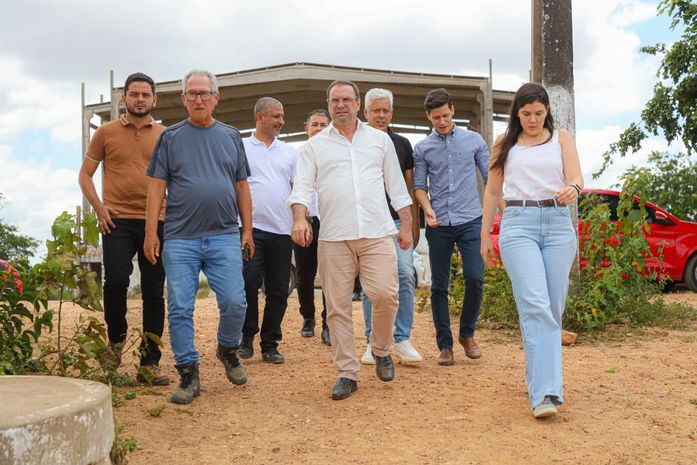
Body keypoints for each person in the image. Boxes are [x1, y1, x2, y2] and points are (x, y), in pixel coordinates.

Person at [288, 80, 413, 400]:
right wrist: (300, 218)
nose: (340, 105)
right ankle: (346, 371)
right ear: (329, 105)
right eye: (334, 100)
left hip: (377, 232)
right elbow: (301, 187)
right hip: (334, 237)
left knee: (386, 293)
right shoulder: (314, 147)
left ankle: (382, 349)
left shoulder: (378, 141)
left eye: (346, 99)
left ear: (358, 104)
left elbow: (396, 186)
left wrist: (407, 225)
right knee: (338, 307)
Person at [144, 69, 254, 405]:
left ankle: (227, 348)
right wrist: (151, 232)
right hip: (180, 238)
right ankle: (188, 373)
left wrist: (247, 229)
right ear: (183, 99)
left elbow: (241, 185)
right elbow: (157, 186)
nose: (198, 99)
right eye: (191, 94)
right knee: (179, 306)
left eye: (204, 93)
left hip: (223, 234)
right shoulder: (171, 138)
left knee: (236, 302)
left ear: (216, 97)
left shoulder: (231, 136)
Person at [480, 82, 582, 418]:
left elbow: (577, 178)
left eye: (539, 113)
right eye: (526, 114)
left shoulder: (562, 139)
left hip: (556, 224)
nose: (533, 119)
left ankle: (538, 380)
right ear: (517, 113)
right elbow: (493, 194)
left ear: (547, 111)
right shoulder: (503, 144)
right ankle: (546, 394)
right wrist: (485, 238)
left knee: (550, 311)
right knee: (536, 305)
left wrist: (572, 189)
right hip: (518, 224)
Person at [78, 72, 169, 386]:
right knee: (116, 282)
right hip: (116, 220)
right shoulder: (106, 132)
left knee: (154, 291)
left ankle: (150, 362)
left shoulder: (165, 135)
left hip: (157, 220)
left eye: (146, 95)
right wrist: (99, 208)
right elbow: (85, 176)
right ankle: (115, 345)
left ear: (154, 99)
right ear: (123, 99)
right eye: (134, 94)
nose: (140, 99)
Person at [413, 88, 489, 366]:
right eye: (436, 118)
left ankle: (467, 334)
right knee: (439, 286)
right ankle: (444, 345)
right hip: (439, 223)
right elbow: (419, 186)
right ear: (428, 117)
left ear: (452, 110)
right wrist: (427, 208)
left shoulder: (474, 140)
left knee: (475, 277)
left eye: (445, 115)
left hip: (470, 220)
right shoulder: (423, 149)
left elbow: (490, 177)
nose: (441, 121)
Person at [360, 88, 423, 366]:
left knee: (404, 274)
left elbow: (409, 187)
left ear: (391, 113)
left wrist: (413, 225)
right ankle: (371, 340)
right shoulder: (356, 143)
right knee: (370, 284)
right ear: (366, 113)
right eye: (376, 110)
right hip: (370, 224)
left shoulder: (402, 144)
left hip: (398, 222)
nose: (381, 115)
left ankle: (402, 338)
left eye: (386, 110)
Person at [239, 97, 297, 364]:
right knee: (248, 283)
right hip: (250, 229)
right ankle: (247, 336)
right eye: (276, 116)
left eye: (282, 116)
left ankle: (270, 343)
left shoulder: (289, 152)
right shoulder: (241, 147)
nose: (281, 122)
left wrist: (301, 220)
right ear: (260, 117)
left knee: (278, 290)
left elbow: (298, 188)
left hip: (282, 231)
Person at [295, 109, 331, 345]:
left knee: (331, 274)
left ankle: (329, 323)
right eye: (314, 124)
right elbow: (295, 188)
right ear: (306, 128)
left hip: (331, 221)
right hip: (307, 219)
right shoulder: (296, 155)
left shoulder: (336, 154)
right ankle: (308, 318)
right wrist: (301, 217)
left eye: (323, 125)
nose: (318, 128)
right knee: (304, 273)